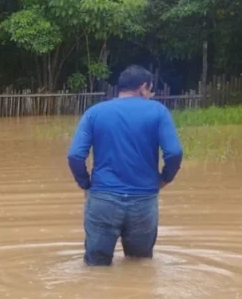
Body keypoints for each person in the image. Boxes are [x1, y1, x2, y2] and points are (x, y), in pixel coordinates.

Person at [66, 65, 183, 266]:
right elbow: (174, 152)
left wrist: (85, 184)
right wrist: (164, 179)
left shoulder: (95, 113)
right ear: (143, 87)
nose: (151, 94)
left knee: (96, 269)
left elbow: (75, 155)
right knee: (139, 267)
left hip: (103, 199)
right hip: (143, 202)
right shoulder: (158, 112)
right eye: (151, 90)